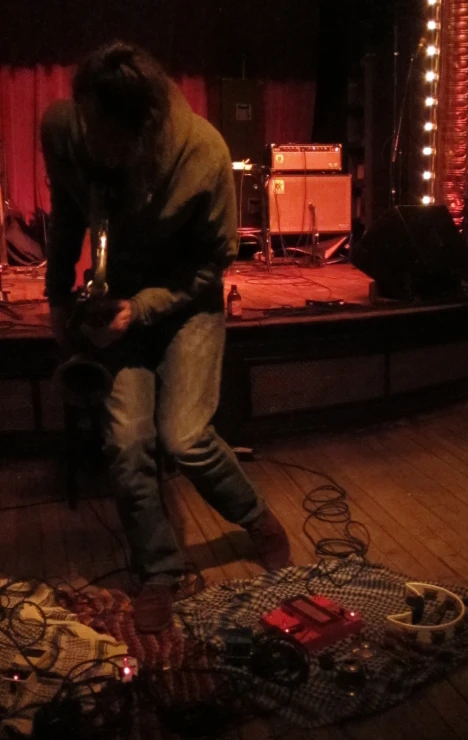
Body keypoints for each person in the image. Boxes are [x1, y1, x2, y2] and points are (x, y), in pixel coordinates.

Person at [41, 41, 291, 633]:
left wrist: (144, 308)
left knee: (183, 437)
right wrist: (58, 297)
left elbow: (211, 268)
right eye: (85, 126)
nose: (90, 147)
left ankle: (255, 517)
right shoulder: (68, 131)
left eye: (106, 139)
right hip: (118, 299)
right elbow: (69, 211)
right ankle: (159, 571)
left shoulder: (202, 154)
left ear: (144, 128)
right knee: (126, 443)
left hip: (186, 301)